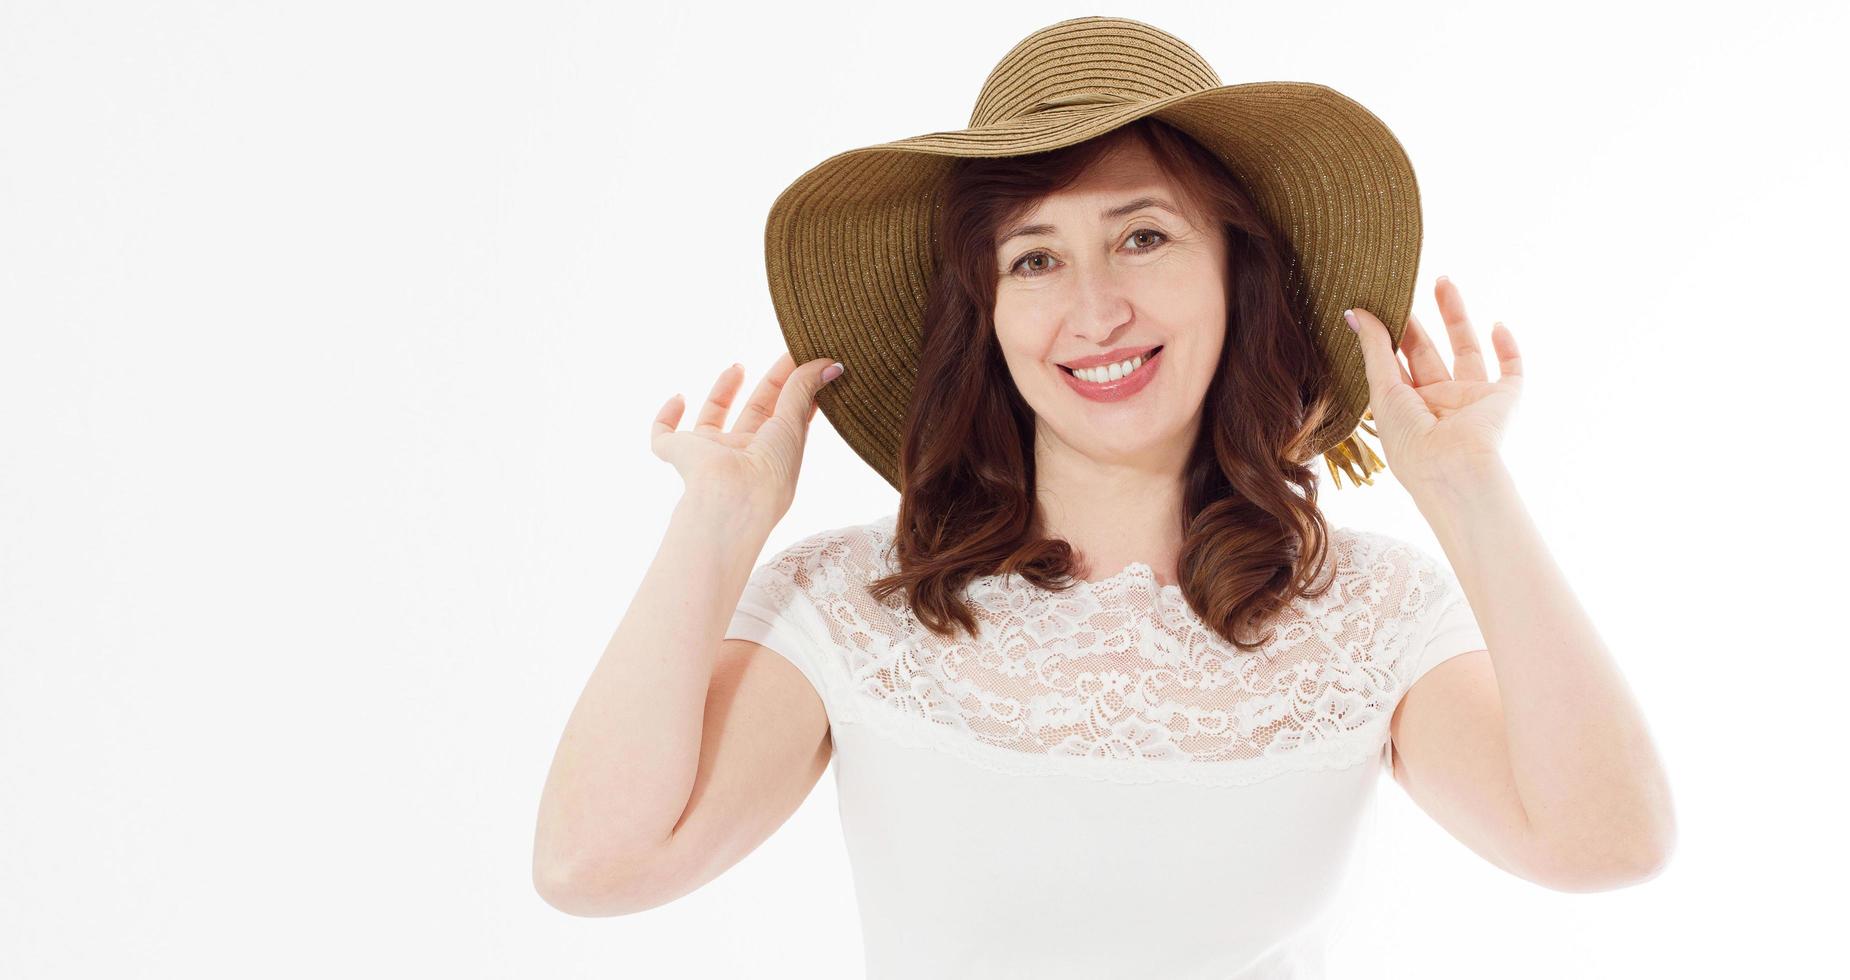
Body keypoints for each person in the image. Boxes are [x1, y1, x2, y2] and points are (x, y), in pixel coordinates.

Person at [532, 16, 1677, 978]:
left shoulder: (1366, 614)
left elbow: (1607, 841)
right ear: (984, 313)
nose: (1094, 310)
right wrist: (717, 524)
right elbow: (592, 867)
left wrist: (1467, 486)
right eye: (1033, 258)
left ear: (1236, 270)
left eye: (1140, 235)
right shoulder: (853, 604)